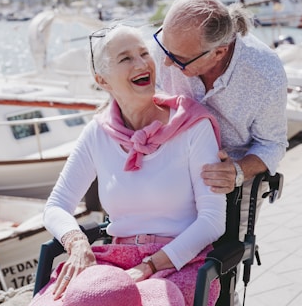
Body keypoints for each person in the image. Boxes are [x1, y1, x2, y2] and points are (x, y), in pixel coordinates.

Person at [30, 24, 226, 306]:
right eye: (126, 58)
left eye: (144, 53)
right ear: (103, 80)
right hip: (112, 263)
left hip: (179, 261)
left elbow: (212, 221)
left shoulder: (193, 126)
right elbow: (56, 206)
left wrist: (151, 265)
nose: (142, 63)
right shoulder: (97, 133)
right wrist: (77, 243)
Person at [152, 0, 288, 304]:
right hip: (173, 169)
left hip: (231, 180)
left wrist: (238, 171)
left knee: (218, 267)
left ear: (219, 51)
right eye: (164, 48)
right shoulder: (168, 50)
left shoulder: (265, 72)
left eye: (180, 60)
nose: (167, 64)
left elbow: (272, 143)